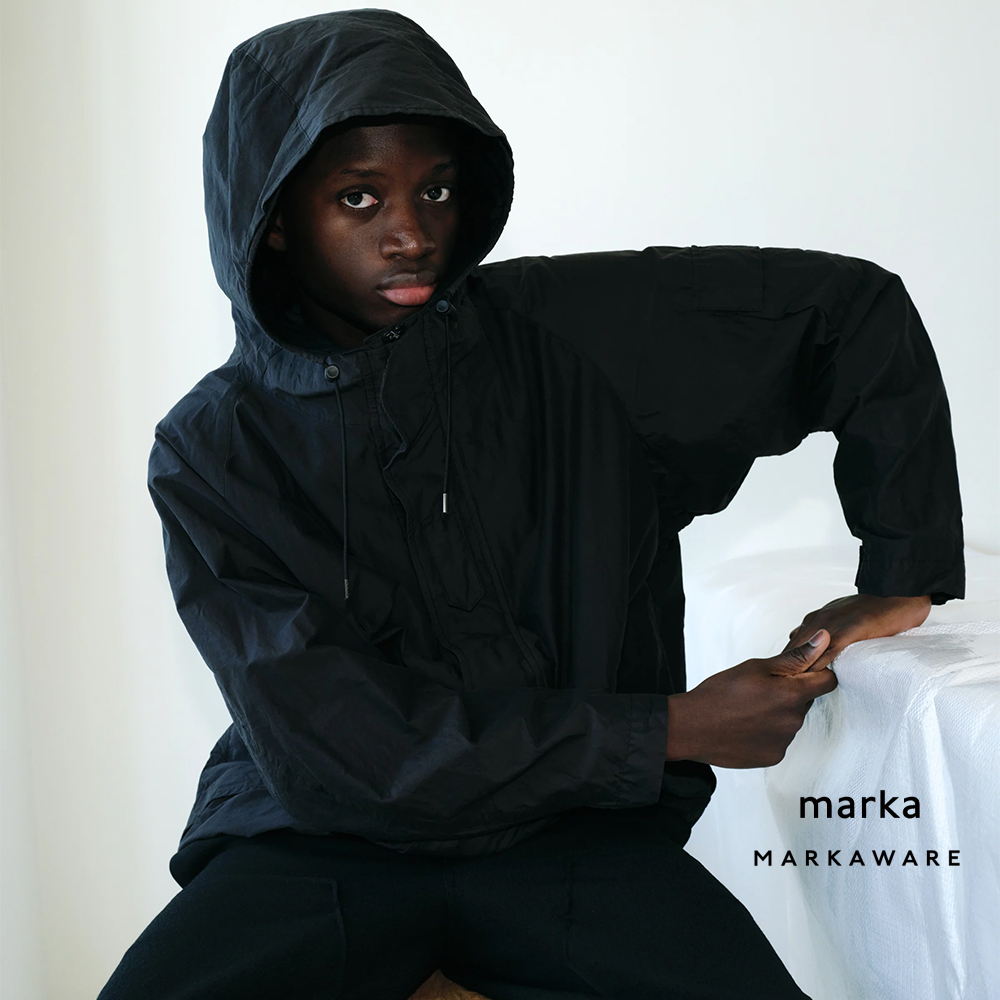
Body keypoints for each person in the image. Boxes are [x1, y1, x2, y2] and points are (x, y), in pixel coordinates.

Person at [97, 9, 964, 1000]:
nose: (411, 233)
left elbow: (846, 315)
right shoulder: (214, 449)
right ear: (276, 217)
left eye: (435, 189)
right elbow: (349, 751)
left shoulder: (575, 341)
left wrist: (902, 573)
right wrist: (670, 729)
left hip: (574, 844)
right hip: (313, 846)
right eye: (358, 197)